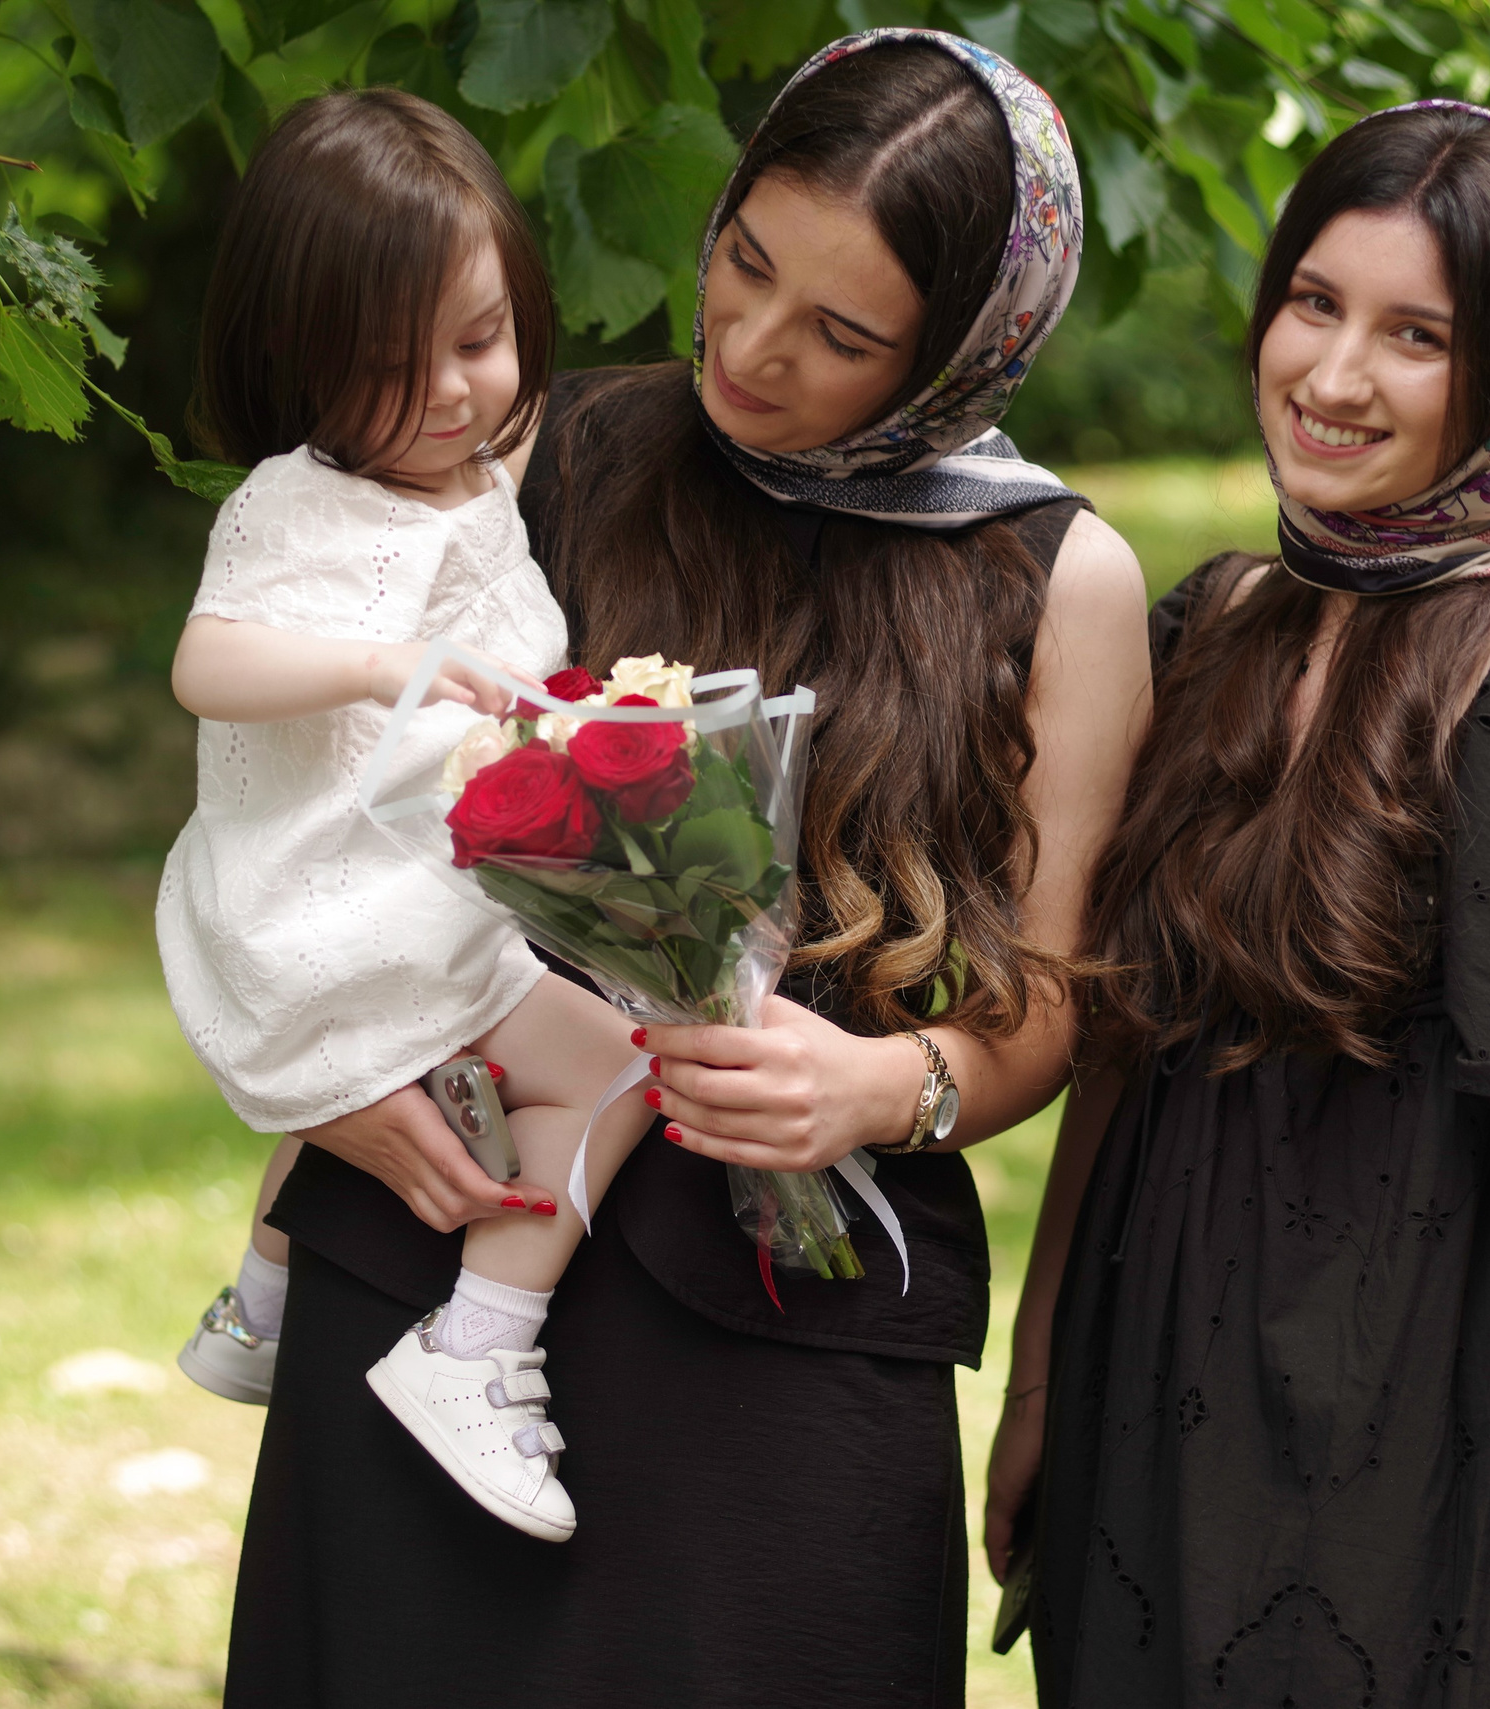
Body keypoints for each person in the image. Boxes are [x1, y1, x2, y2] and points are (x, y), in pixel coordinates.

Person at [224, 31, 1149, 1707]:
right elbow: (303, 787)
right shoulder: (552, 446)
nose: (751, 342)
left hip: (789, 1335)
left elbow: (1057, 1010)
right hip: (451, 1264)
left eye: (845, 332)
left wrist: (876, 1088)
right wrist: (324, 1083)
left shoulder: (1057, 580)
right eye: (742, 261)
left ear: (965, 349)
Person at [986, 102, 1490, 1709]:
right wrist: (1045, 1372)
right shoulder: (1220, 619)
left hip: (1428, 1395)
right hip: (1155, 1374)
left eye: (1417, 336)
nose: (1337, 376)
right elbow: (1130, 1046)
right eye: (1315, 303)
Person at [153, 87, 660, 1543]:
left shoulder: (478, 470)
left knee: (581, 1051)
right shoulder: (295, 504)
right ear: (293, 364)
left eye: (484, 337)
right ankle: (478, 1343)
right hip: (344, 904)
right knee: (623, 1065)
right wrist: (394, 661)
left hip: (397, 909)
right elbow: (205, 661)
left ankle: (259, 1303)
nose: (451, 392)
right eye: (391, 365)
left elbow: (513, 426)